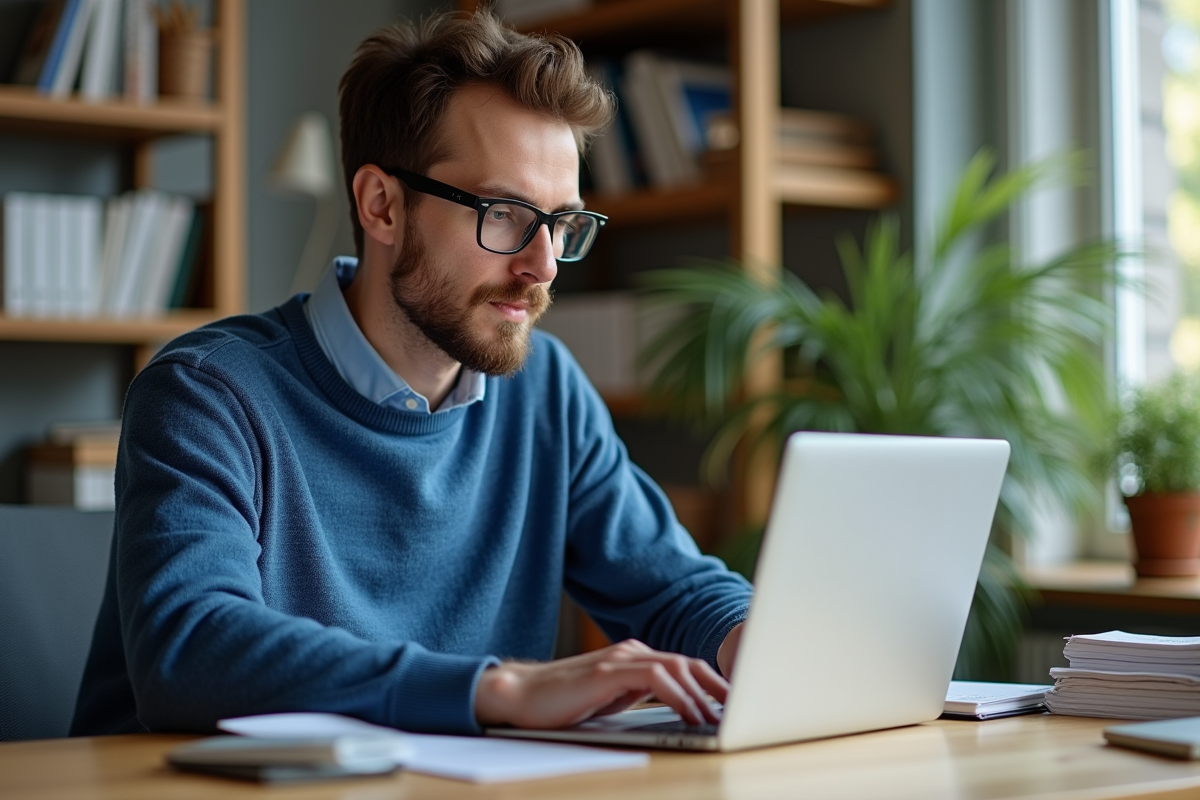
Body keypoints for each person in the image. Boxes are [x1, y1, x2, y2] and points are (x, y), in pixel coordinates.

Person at [71, 9, 752, 738]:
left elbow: (674, 588)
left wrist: (759, 646)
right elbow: (191, 648)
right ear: (381, 205)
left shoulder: (545, 388)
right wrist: (498, 688)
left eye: (561, 223)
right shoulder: (207, 392)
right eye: (505, 214)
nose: (543, 265)